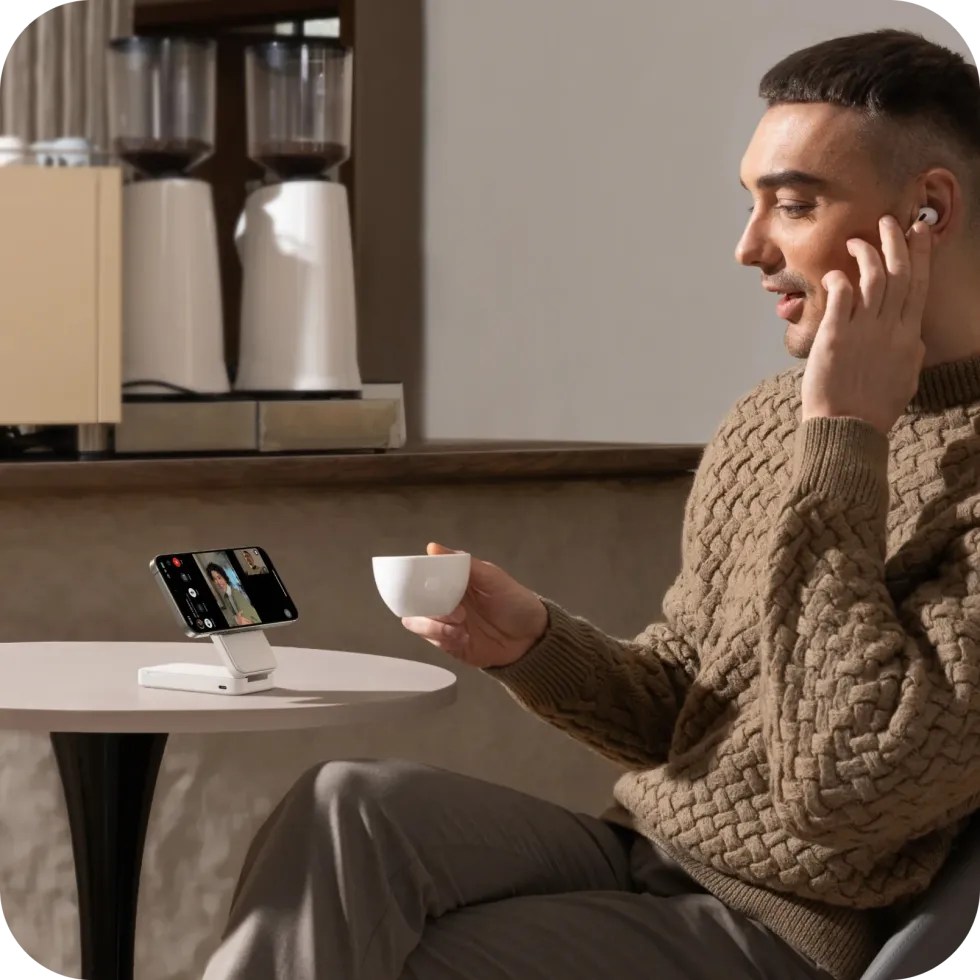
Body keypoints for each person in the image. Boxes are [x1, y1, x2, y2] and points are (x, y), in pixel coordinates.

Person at [201, 28, 980, 980]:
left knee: (394, 959)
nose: (748, 247)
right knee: (345, 805)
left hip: (786, 930)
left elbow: (849, 788)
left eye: (794, 204)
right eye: (750, 205)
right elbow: (688, 712)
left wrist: (851, 435)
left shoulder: (838, 435)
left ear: (929, 211)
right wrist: (534, 643)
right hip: (648, 850)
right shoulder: (770, 424)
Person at [206, 562, 260, 627]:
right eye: (214, 579)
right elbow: (231, 619)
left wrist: (237, 620)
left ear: (224, 576)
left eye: (219, 577)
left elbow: (246, 618)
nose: (218, 581)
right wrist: (236, 620)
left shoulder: (235, 592)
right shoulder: (226, 597)